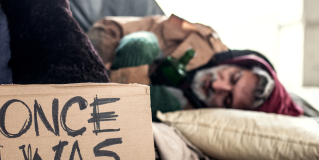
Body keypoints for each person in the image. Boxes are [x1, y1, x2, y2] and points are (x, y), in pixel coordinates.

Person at [88, 14, 303, 119]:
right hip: (100, 71)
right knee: (141, 43)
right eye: (233, 78)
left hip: (114, 117)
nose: (218, 86)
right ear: (237, 63)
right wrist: (91, 73)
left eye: (227, 100)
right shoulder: (200, 39)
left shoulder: (201, 122)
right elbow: (111, 28)